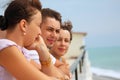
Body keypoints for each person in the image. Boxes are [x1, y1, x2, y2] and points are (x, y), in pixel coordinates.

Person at [0, 0, 63, 80]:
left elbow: (59, 76)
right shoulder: (6, 48)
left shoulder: (22, 53)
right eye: (38, 25)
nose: (40, 32)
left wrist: (42, 51)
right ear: (24, 25)